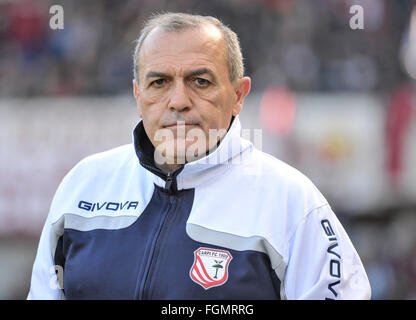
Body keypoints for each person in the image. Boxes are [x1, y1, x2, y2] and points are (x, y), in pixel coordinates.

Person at [27, 12, 371, 300]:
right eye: (159, 82)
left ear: (238, 94)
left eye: (200, 81)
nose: (178, 100)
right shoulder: (83, 186)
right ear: (137, 94)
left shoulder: (291, 202)